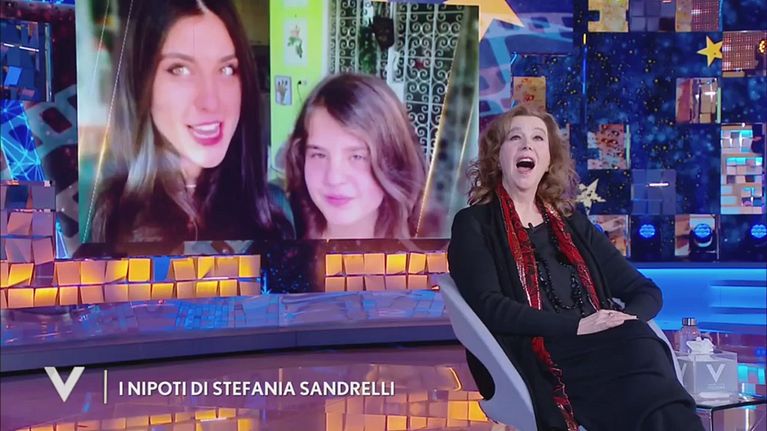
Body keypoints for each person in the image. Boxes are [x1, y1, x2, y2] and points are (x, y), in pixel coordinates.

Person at [447, 105, 703, 430]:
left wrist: (620, 319)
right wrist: (578, 327)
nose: (527, 146)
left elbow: (645, 291)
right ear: (498, 156)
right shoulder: (473, 224)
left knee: (641, 348)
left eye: (537, 138)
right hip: (540, 355)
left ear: (548, 159)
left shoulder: (572, 223)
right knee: (647, 377)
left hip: (608, 342)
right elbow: (490, 307)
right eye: (515, 138)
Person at [90, 0, 292, 244]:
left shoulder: (273, 211)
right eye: (180, 69)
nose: (211, 102)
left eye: (227, 69)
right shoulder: (110, 218)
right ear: (141, 82)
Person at [285, 73, 426, 239]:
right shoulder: (283, 238)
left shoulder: (431, 249)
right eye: (319, 155)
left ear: (395, 160)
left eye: (357, 157)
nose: (334, 178)